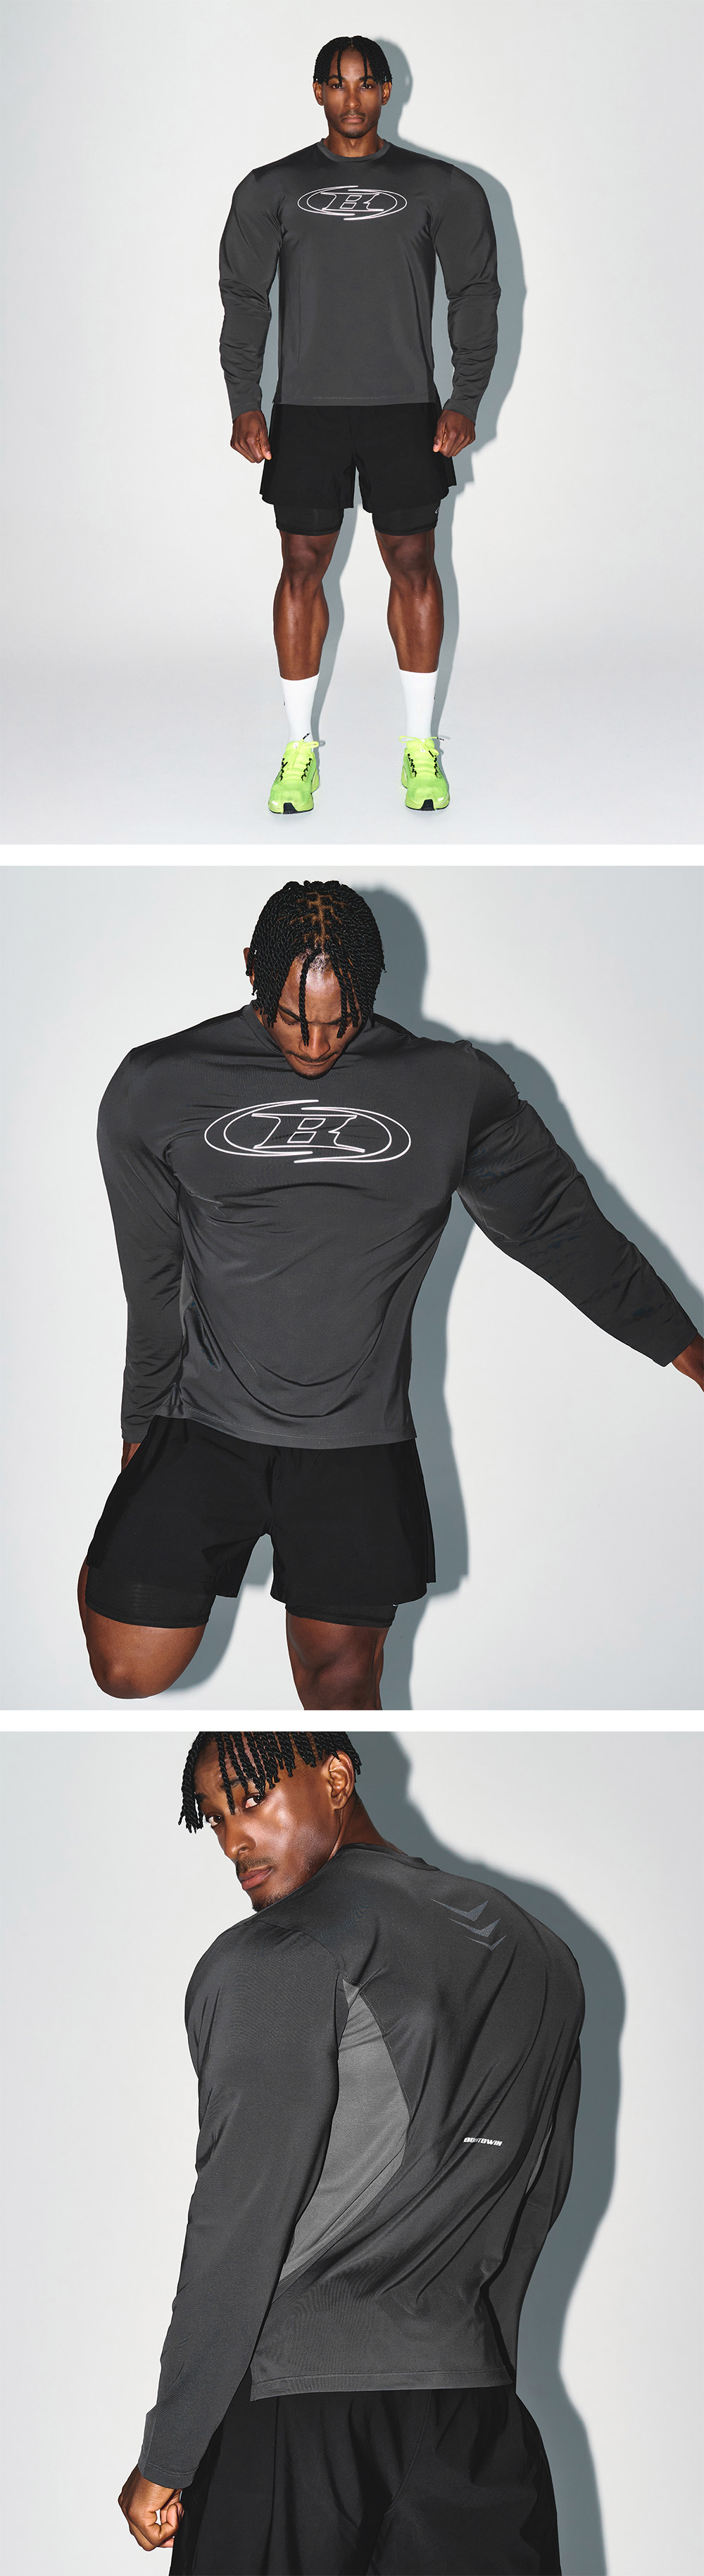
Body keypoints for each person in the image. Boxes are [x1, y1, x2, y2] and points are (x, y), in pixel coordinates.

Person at [78, 879, 703, 1713]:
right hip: (203, 1424)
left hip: (357, 1442)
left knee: (340, 1684)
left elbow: (562, 1231)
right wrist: (137, 1433)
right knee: (127, 1670)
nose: (314, 1045)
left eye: (340, 1021)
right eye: (292, 1019)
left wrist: (691, 1356)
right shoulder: (158, 1085)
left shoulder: (450, 1086)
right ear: (251, 970)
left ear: (372, 989)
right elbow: (150, 1275)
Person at [118, 1730, 584, 2570]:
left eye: (250, 1798)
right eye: (214, 1817)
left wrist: (170, 2453)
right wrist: (471, 2367)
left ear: (336, 1777)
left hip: (295, 2426)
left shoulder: (276, 1954)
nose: (232, 1840)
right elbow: (535, 2196)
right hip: (473, 2421)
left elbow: (238, 2218)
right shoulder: (541, 1952)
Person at [221, 36, 501, 814]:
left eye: (366, 83)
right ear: (317, 92)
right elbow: (244, 297)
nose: (353, 98)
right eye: (338, 84)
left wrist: (465, 397)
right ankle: (298, 746)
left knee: (413, 563)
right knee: (300, 566)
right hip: (306, 410)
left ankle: (420, 746)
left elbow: (475, 292)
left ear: (387, 91)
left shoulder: (440, 187)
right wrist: (244, 398)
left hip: (403, 409)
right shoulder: (272, 187)